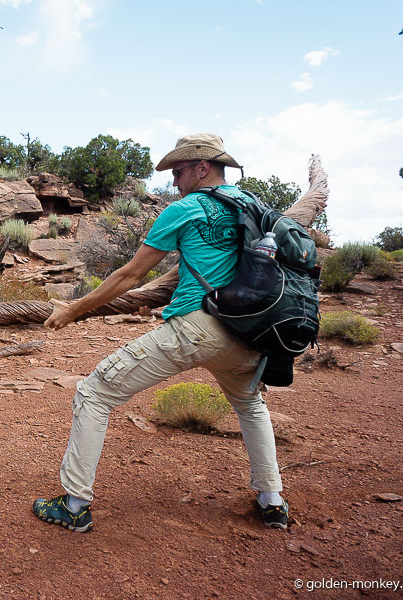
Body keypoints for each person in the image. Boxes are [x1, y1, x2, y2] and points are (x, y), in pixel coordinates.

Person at [32, 134, 289, 532]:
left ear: (202, 168)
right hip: (250, 335)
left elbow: (130, 274)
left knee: (94, 393)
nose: (173, 182)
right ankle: (272, 500)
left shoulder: (185, 208)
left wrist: (74, 310)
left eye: (178, 171)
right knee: (250, 406)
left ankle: (75, 503)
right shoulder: (255, 207)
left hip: (197, 328)